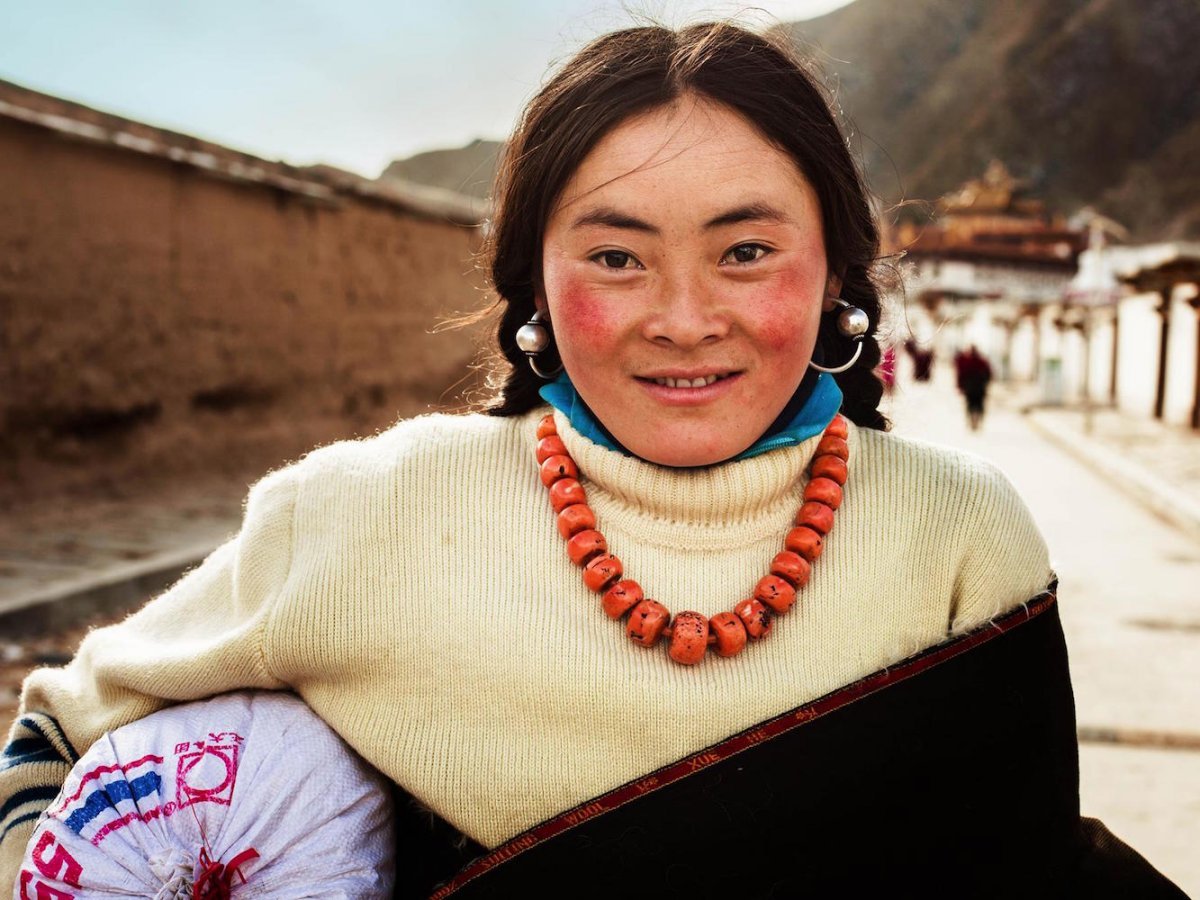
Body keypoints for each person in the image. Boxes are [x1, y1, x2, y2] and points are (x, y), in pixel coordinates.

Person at [1, 22, 1185, 899]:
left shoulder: (958, 539)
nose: (682, 315)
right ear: (533, 285)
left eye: (747, 250)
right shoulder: (369, 516)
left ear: (836, 274)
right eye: (617, 258)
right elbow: (53, 735)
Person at [955, 343, 993, 430]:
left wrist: (960, 386)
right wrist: (986, 383)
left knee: (970, 405)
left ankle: (971, 420)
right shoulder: (982, 361)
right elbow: (989, 374)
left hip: (970, 388)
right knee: (979, 405)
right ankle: (978, 420)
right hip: (980, 388)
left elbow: (961, 374)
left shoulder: (967, 361)